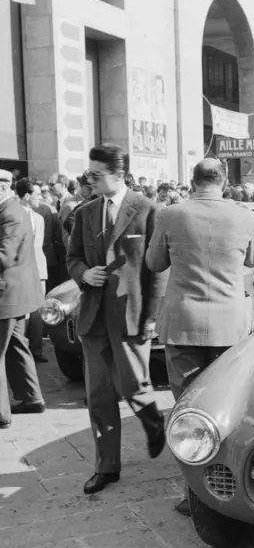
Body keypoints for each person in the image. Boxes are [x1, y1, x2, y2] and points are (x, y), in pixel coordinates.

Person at [146, 158, 254, 516]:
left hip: (184, 322)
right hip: (229, 324)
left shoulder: (171, 214)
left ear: (192, 181)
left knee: (187, 408)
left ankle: (194, 492)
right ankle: (229, 484)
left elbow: (154, 264)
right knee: (227, 406)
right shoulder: (245, 216)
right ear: (224, 181)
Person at [66, 143, 169, 495]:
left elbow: (157, 270)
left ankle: (154, 422)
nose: (89, 179)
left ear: (119, 175)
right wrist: (83, 274)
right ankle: (106, 466)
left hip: (132, 316)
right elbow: (73, 258)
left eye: (96, 175)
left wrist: (152, 317)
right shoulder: (85, 212)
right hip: (93, 317)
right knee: (98, 395)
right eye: (88, 173)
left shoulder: (148, 209)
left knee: (133, 386)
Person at [0, 169, 46, 429]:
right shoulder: (12, 211)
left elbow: (4, 256)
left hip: (8, 295)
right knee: (16, 345)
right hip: (14, 294)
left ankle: (1, 414)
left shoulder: (11, 213)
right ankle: (32, 398)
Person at [16, 179, 48, 363]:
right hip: (21, 270)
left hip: (39, 270)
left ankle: (36, 350)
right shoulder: (12, 215)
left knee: (38, 311)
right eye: (37, 194)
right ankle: (21, 351)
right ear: (27, 196)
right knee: (23, 312)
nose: (40, 198)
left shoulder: (39, 218)